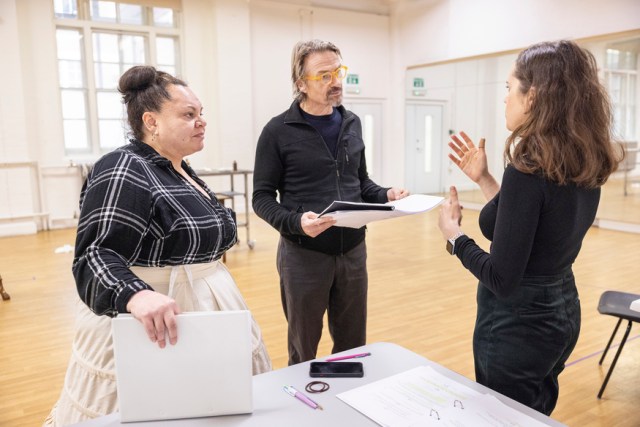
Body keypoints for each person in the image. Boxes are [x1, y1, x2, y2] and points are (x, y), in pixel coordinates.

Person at [44, 66, 271, 426]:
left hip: (203, 311)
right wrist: (135, 294)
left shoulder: (179, 168)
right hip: (152, 322)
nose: (201, 122)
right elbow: (94, 254)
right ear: (151, 121)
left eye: (201, 114)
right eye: (188, 114)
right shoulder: (123, 167)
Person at [437, 40, 622, 415]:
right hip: (561, 313)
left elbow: (503, 278)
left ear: (533, 96)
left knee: (504, 418)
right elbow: (532, 225)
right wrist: (486, 178)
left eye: (509, 88)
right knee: (533, 414)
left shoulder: (529, 168)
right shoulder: (580, 157)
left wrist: (454, 235)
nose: (505, 99)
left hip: (517, 326)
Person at [252, 39, 409, 365]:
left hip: (353, 251)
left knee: (353, 347)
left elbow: (360, 183)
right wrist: (296, 223)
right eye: (324, 75)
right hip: (304, 255)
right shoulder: (277, 131)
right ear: (300, 83)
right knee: (303, 346)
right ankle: (302, 410)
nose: (336, 81)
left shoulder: (351, 122)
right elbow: (262, 198)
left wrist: (386, 194)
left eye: (338, 71)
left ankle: (345, 405)